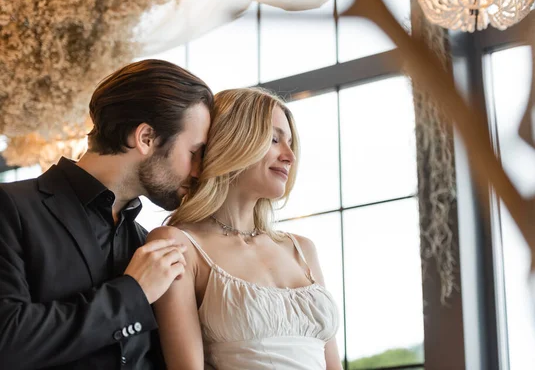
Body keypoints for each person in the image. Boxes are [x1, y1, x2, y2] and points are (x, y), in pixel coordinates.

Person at [0, 59, 213, 370]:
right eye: (194, 153)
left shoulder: (149, 245)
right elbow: (7, 341)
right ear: (146, 138)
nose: (198, 172)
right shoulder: (11, 208)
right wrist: (133, 294)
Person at [147, 88, 342, 369]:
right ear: (232, 141)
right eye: (274, 139)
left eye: (290, 144)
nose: (289, 156)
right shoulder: (178, 244)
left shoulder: (302, 249)